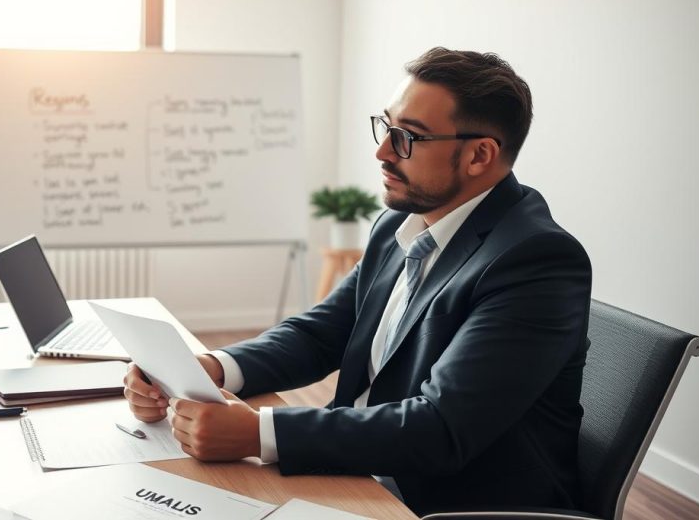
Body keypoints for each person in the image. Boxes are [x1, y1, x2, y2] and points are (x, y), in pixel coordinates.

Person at [123, 47, 592, 515]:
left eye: (407, 137)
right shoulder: (399, 225)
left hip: (444, 503)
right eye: (386, 127)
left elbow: (441, 428)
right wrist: (214, 368)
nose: (382, 152)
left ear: (479, 155)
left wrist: (258, 433)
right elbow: (322, 333)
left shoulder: (535, 260)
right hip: (360, 472)